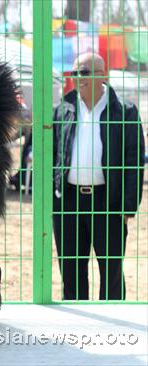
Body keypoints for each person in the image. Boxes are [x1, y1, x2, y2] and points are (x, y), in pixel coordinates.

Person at [53, 52, 144, 300]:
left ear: (102, 75)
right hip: (68, 203)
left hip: (109, 202)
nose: (77, 77)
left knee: (112, 273)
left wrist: (128, 207)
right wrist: (54, 199)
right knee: (70, 273)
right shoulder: (62, 110)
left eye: (84, 72)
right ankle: (75, 324)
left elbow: (134, 161)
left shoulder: (125, 112)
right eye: (74, 72)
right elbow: (52, 157)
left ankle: (114, 328)